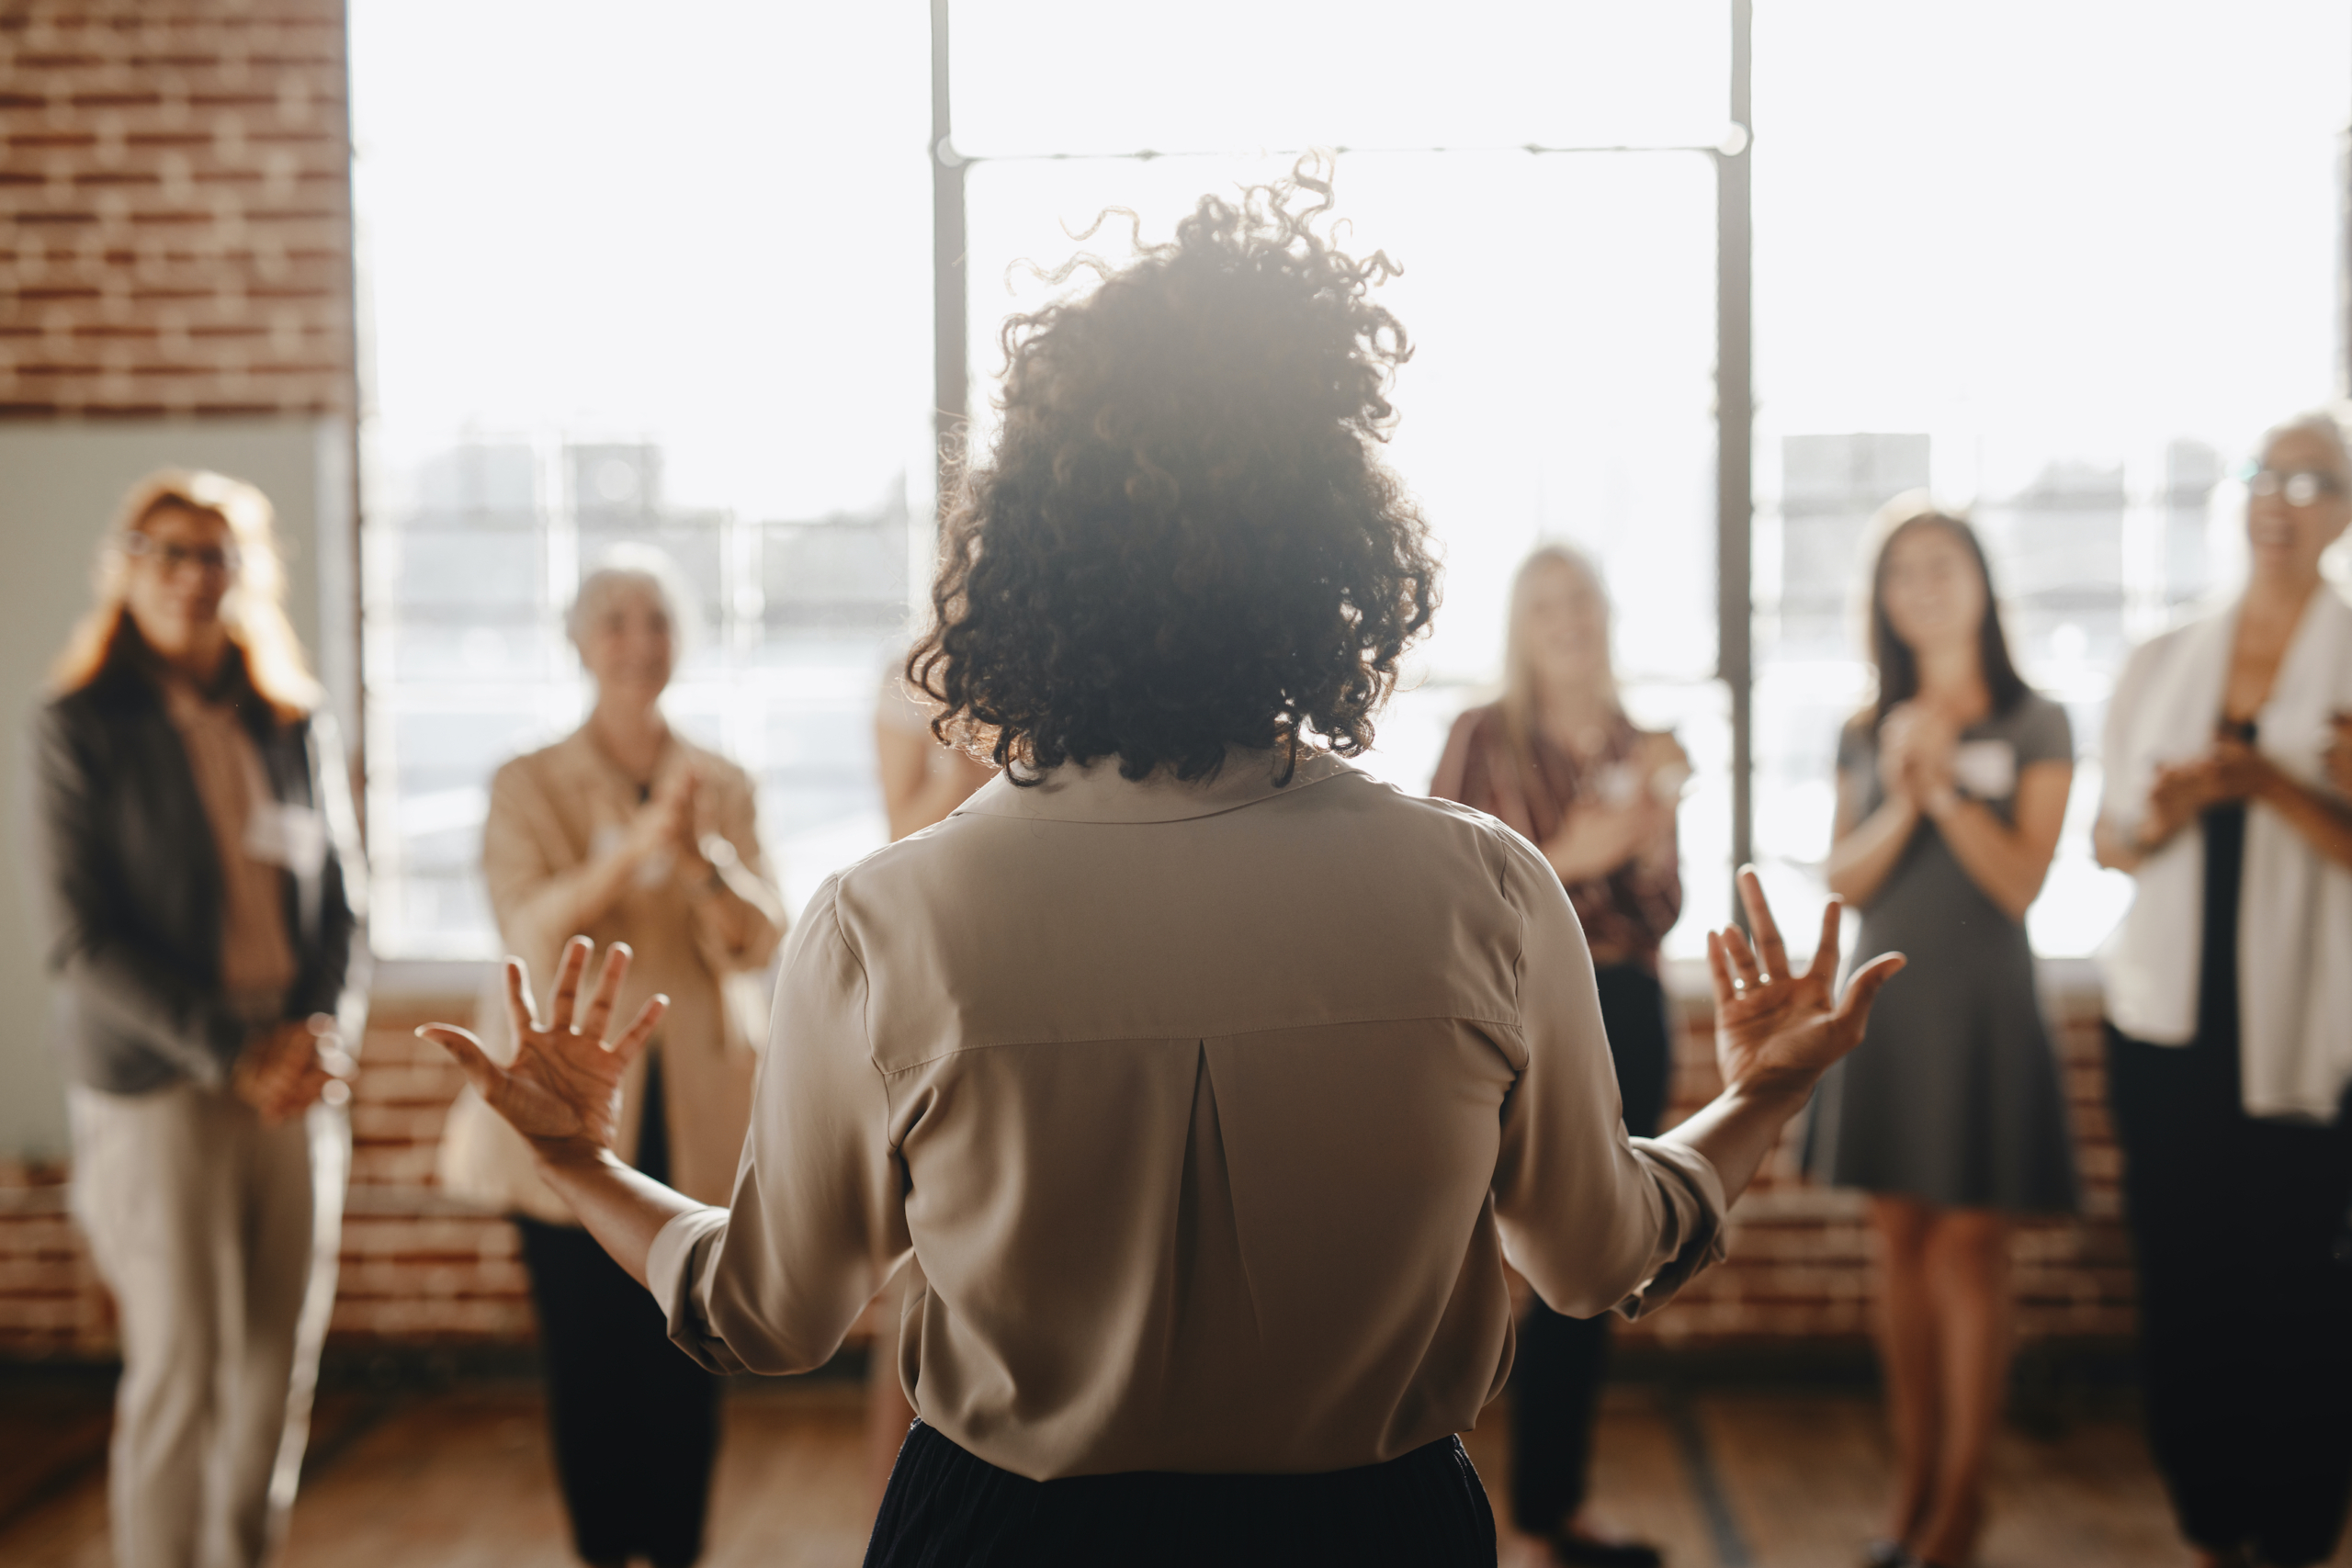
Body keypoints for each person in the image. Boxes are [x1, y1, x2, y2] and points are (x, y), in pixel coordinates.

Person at [421, 170, 1903, 1567]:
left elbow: (766, 1313)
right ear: (1339, 564)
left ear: (1013, 569)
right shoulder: (1486, 892)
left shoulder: (889, 921)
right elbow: (1598, 1258)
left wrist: (576, 1159)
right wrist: (1764, 1087)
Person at [35, 469, 366, 1568]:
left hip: (293, 1083)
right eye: (165, 551)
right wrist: (235, 1055)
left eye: (213, 553)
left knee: (276, 1367)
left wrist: (316, 1037)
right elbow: (85, 942)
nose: (190, 575)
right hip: (164, 1087)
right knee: (183, 1366)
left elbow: (341, 905)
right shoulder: (81, 725)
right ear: (127, 569)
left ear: (244, 574)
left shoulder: (289, 719)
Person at [448, 548, 786, 1568]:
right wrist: (633, 851)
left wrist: (703, 862)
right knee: (588, 1371)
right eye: (617, 621)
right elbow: (530, 926)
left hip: (695, 1111)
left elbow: (764, 937)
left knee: (689, 1358)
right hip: (562, 1111)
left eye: (658, 620)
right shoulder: (527, 783)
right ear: (581, 644)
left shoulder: (721, 783)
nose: (639, 641)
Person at [2092, 412, 2352, 1568]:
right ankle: (2206, 1522)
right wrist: (2175, 808)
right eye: (2265, 474)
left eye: (2313, 481)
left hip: (2310, 1028)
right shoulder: (2162, 660)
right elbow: (2112, 840)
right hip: (2168, 1025)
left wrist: (2281, 789)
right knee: (2186, 1278)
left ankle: (2294, 1532)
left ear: (2343, 511)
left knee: (2299, 1292)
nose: (2282, 500)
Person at [1809, 498, 2077, 1568]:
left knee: (1972, 1247)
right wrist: (1907, 795)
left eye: (1941, 564)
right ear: (1879, 601)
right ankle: (1910, 1493)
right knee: (1900, 1243)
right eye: (1899, 571)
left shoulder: (2036, 719)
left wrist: (1944, 790)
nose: (1921, 585)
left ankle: (1963, 1508)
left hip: (1985, 1005)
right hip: (1890, 1004)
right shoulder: (1863, 728)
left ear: (1978, 583)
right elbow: (1843, 876)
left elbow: (2019, 883)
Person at [1430, 544, 1687, 1568]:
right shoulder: (1478, 736)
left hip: (1623, 1004)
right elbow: (1454, 889)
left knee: (1594, 1263)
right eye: (1545, 604)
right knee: (1452, 1260)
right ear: (1517, 625)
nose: (1567, 619)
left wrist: (1645, 839)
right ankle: (1428, 1513)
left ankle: (1549, 1514)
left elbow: (1659, 908)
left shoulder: (1645, 743)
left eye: (1581, 599)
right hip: (1503, 1012)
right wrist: (1580, 853)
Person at [860, 661, 998, 1506]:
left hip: (1056, 934)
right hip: (945, 959)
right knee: (924, 1264)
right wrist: (967, 764)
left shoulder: (1096, 636)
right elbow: (897, 840)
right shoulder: (918, 673)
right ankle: (897, 1513)